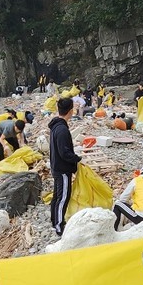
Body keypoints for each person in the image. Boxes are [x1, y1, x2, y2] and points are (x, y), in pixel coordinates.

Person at [48, 97, 79, 236]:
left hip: (56, 167)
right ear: (71, 111)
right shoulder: (62, 129)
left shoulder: (56, 126)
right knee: (63, 197)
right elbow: (64, 152)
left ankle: (55, 220)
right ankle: (59, 225)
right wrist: (77, 159)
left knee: (57, 196)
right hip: (62, 169)